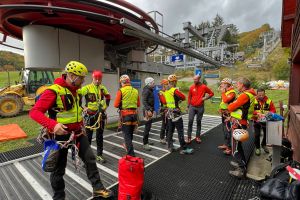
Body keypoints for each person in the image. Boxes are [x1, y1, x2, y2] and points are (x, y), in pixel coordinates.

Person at [29, 61, 112, 199]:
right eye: (81, 77)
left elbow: (75, 112)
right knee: (58, 170)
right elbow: (35, 112)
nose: (84, 80)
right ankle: (59, 197)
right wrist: (52, 125)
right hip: (59, 137)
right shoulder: (53, 91)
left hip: (77, 134)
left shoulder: (76, 92)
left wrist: (81, 125)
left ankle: (98, 188)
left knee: (90, 159)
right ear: (72, 75)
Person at [227, 77, 256, 178]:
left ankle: (241, 169)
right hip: (242, 122)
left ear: (243, 85)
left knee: (235, 147)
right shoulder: (250, 94)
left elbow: (230, 107)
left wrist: (232, 105)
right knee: (238, 145)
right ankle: (241, 163)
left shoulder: (244, 95)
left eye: (238, 84)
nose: (236, 86)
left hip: (239, 123)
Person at [80, 70, 111, 163]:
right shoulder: (87, 88)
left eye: (99, 79)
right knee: (88, 137)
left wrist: (105, 107)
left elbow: (108, 97)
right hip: (90, 116)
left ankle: (99, 155)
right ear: (92, 78)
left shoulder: (102, 88)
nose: (97, 81)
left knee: (99, 136)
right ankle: (87, 157)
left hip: (100, 115)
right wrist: (84, 108)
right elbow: (77, 97)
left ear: (101, 79)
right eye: (95, 79)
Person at [161, 74, 193, 154]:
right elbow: (183, 97)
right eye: (176, 81)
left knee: (170, 130)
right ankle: (184, 149)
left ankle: (170, 147)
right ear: (174, 82)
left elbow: (165, 102)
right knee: (180, 130)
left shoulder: (166, 91)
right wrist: (178, 98)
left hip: (169, 113)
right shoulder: (174, 90)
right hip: (175, 113)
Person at [114, 74, 140, 156]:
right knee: (130, 134)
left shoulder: (121, 91)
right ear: (129, 81)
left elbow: (115, 104)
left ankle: (131, 154)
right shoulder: (135, 91)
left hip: (126, 115)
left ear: (121, 82)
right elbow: (138, 104)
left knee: (127, 135)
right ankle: (128, 146)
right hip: (134, 116)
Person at [186, 74, 214, 144]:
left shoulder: (204, 87)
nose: (194, 80)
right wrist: (187, 106)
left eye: (196, 79)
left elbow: (211, 93)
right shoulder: (192, 87)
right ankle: (189, 137)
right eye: (194, 79)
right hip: (192, 107)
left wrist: (205, 98)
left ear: (199, 79)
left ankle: (197, 137)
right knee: (190, 121)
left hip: (200, 107)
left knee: (198, 122)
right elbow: (189, 97)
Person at [253, 88, 276, 156]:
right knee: (256, 135)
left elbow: (273, 110)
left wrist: (267, 114)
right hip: (256, 120)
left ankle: (263, 145)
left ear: (265, 94)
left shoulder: (269, 101)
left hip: (266, 121)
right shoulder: (253, 101)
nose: (261, 96)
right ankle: (257, 148)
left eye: (262, 95)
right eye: (259, 95)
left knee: (266, 134)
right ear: (257, 94)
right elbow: (250, 110)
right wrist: (257, 114)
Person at [218, 78, 236, 155]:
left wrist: (222, 93)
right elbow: (223, 102)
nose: (221, 85)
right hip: (224, 113)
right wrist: (220, 109)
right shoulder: (227, 91)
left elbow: (225, 100)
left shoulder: (232, 92)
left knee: (228, 130)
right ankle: (226, 144)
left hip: (228, 114)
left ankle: (229, 148)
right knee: (224, 130)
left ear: (227, 84)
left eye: (222, 84)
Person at [142, 77, 155, 151]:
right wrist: (148, 109)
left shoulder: (149, 90)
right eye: (153, 83)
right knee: (147, 127)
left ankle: (146, 141)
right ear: (149, 83)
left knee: (149, 126)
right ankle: (145, 143)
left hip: (149, 110)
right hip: (148, 111)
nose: (154, 84)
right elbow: (144, 101)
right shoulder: (146, 90)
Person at [158, 79, 169, 144]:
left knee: (168, 124)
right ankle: (162, 138)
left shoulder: (167, 92)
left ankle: (168, 137)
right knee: (164, 124)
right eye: (166, 84)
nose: (167, 85)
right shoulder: (161, 92)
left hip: (168, 109)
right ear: (163, 85)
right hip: (163, 110)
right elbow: (164, 101)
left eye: (167, 84)